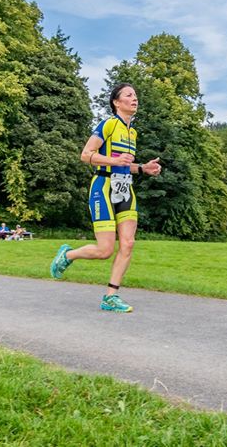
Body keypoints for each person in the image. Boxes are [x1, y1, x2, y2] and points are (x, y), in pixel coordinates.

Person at [50, 82, 161, 313]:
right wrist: (113, 161)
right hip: (103, 186)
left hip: (125, 189)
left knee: (128, 243)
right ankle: (68, 254)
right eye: (129, 95)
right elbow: (85, 155)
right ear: (116, 102)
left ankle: (111, 297)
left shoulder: (132, 132)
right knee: (105, 250)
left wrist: (143, 169)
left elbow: (125, 166)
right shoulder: (109, 125)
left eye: (136, 95)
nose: (134, 98)